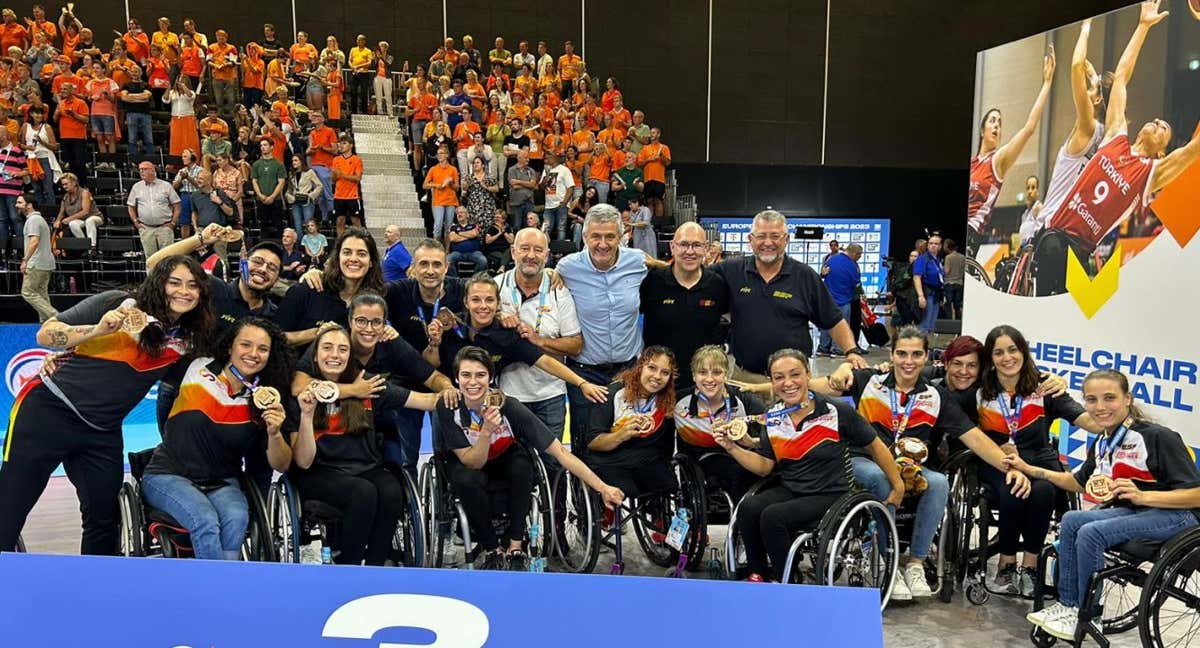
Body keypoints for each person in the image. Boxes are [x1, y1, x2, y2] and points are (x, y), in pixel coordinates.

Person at [0, 255, 214, 553]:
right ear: (158, 283)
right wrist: (98, 330)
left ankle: (93, 591)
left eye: (193, 285)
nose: (184, 291)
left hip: (102, 432)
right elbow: (45, 333)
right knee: (9, 511)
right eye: (174, 282)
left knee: (104, 521)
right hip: (46, 414)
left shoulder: (187, 340)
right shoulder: (116, 303)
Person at [817, 327, 1035, 600]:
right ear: (891, 354)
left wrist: (1011, 468)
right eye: (902, 354)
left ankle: (915, 564)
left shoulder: (935, 396)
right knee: (882, 477)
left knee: (938, 481)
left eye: (916, 354)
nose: (909, 361)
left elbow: (976, 439)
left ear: (926, 357)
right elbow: (814, 388)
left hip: (911, 466)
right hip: (862, 460)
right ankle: (888, 562)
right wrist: (767, 387)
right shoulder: (867, 381)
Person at [1013, 369, 1200, 641]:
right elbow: (1078, 482)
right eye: (1092, 400)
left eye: (1109, 398)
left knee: (1092, 532)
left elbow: (1196, 495)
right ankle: (1068, 606)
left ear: (1127, 399)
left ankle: (1091, 614)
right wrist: (1031, 469)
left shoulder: (1157, 437)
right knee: (1072, 519)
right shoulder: (1104, 441)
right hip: (1138, 511)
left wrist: (1143, 496)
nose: (1100, 407)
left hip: (1179, 516)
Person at [1036, 2, 1200, 296]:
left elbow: (1193, 150)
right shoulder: (1115, 136)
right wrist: (1142, 26)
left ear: (1162, 151)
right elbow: (1121, 77)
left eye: (1164, 128)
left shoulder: (1152, 173)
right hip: (1052, 237)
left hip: (1079, 252)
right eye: (1156, 120)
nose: (1158, 121)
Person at [720, 349, 903, 582]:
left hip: (831, 492)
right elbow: (765, 467)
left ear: (808, 374)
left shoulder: (836, 411)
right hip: (792, 488)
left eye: (795, 374)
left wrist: (897, 485)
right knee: (748, 507)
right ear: (772, 381)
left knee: (773, 516)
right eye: (779, 377)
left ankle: (786, 579)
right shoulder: (773, 416)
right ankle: (758, 575)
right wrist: (732, 447)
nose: (788, 383)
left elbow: (876, 446)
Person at [437, 345, 622, 569]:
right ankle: (492, 548)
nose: (473, 382)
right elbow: (473, 462)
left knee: (522, 467)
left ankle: (516, 546)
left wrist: (602, 487)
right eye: (466, 375)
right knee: (467, 479)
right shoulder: (449, 407)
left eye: (480, 375)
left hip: (504, 458)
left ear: (491, 377)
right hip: (471, 462)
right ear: (456, 379)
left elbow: (560, 452)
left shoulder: (510, 406)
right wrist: (486, 430)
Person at [286, 326, 441, 566]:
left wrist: (457, 393)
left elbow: (425, 400)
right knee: (363, 492)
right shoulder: (302, 394)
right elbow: (303, 461)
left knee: (391, 491)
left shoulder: (368, 385)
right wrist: (307, 416)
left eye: (342, 349)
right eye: (327, 348)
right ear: (315, 355)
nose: (335, 355)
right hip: (318, 472)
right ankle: (349, 566)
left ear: (350, 356)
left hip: (364, 466)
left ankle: (376, 566)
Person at [140, 318, 293, 561]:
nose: (253, 354)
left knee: (236, 517)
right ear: (230, 346)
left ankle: (226, 582)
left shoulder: (264, 401)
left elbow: (281, 465)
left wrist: (274, 432)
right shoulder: (197, 367)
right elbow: (161, 389)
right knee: (205, 521)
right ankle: (213, 591)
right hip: (168, 474)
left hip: (221, 480)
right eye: (246, 345)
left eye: (263, 349)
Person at [965, 325, 1102, 595]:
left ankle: (1030, 566)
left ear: (1023, 351)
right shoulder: (979, 391)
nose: (1007, 358)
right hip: (998, 461)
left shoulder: (1045, 387)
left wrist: (1108, 419)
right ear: (990, 359)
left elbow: (1080, 417)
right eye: (999, 352)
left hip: (1039, 459)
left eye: (1013, 350)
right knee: (1012, 489)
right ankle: (1006, 565)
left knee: (1044, 490)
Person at [292, 293, 456, 471]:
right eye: (361, 321)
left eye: (376, 322)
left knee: (395, 470)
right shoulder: (333, 343)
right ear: (350, 321)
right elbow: (298, 386)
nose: (369, 329)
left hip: (377, 421)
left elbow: (432, 377)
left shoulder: (392, 344)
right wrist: (354, 390)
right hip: (330, 424)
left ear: (384, 324)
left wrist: (447, 388)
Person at [711, 210, 867, 387]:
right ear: (751, 239)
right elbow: (697, 280)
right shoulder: (730, 271)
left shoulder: (805, 276)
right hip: (745, 379)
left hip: (793, 383)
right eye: (761, 236)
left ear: (786, 239)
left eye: (775, 236)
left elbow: (833, 320)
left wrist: (852, 351)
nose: (768, 243)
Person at [494, 227, 582, 452]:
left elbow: (575, 344)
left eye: (537, 250)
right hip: (509, 394)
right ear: (513, 252)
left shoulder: (558, 291)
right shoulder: (495, 287)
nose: (531, 255)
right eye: (524, 249)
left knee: (553, 464)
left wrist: (540, 340)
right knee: (514, 464)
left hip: (550, 394)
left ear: (547, 255)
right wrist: (496, 315)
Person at [967, 46, 1055, 249]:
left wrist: (1047, 83)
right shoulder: (972, 164)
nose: (997, 125)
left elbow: (1029, 129)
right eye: (992, 121)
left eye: (1000, 122)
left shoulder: (998, 160)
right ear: (982, 130)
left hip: (972, 234)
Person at [583, 346, 678, 502]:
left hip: (644, 459)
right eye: (652, 368)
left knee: (669, 484)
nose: (657, 376)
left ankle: (657, 517)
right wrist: (621, 435)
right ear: (640, 367)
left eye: (665, 373)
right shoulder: (612, 394)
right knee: (626, 488)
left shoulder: (665, 401)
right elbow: (593, 442)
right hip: (610, 461)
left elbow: (666, 448)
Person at [640, 222, 728, 388]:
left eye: (696, 245)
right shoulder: (653, 282)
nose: (690, 251)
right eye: (684, 245)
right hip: (659, 380)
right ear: (672, 247)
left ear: (706, 248)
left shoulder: (717, 285)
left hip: (702, 381)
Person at [673, 346, 765, 502]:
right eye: (702, 373)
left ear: (726, 375)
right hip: (699, 462)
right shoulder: (678, 402)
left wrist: (750, 441)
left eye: (716, 372)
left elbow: (769, 439)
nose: (709, 379)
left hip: (740, 456)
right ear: (694, 376)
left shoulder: (746, 401)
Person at [276, 227, 386, 347]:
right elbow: (275, 337)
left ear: (371, 262)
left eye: (361, 254)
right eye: (347, 252)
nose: (353, 259)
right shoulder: (308, 289)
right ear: (338, 257)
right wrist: (316, 333)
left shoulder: (376, 299)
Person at [127, 161, 181, 257]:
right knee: (150, 259)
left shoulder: (166, 186)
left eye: (144, 169)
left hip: (165, 228)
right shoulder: (136, 187)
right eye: (140, 169)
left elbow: (177, 205)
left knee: (167, 259)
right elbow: (131, 207)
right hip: (146, 228)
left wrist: (173, 223)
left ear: (153, 170)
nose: (141, 172)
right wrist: (136, 222)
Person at [817, 243, 863, 357]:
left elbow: (823, 273)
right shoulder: (852, 265)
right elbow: (856, 284)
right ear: (854, 253)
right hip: (843, 300)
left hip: (828, 299)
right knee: (841, 325)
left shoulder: (831, 259)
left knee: (826, 324)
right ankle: (838, 350)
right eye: (859, 255)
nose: (859, 258)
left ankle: (823, 348)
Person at [18, 194, 55, 322]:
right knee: (41, 294)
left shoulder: (33, 220)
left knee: (27, 292)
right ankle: (47, 323)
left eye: (20, 202)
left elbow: (34, 241)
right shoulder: (39, 219)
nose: (16, 205)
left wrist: (25, 260)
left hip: (36, 264)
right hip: (46, 263)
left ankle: (56, 316)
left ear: (29, 205)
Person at [252, 138, 287, 240]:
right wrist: (260, 195)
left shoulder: (278, 164)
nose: (263, 147)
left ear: (271, 147)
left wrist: (272, 196)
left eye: (265, 145)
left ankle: (280, 247)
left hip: (276, 200)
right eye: (261, 145)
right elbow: (254, 181)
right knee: (263, 225)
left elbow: (281, 182)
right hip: (261, 199)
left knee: (278, 225)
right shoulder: (256, 164)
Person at [54, 172, 101, 249]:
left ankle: (93, 246)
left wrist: (69, 218)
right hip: (80, 220)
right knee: (72, 223)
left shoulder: (84, 193)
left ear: (74, 183)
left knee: (90, 220)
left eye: (66, 184)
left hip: (94, 217)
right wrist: (58, 220)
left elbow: (85, 211)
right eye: (63, 185)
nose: (64, 186)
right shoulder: (65, 197)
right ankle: (85, 245)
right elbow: (61, 212)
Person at [423, 145, 460, 243]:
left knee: (448, 228)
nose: (439, 155)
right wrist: (437, 185)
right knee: (438, 226)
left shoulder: (453, 169)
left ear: (447, 155)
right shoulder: (433, 169)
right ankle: (436, 248)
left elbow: (457, 188)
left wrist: (450, 182)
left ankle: (447, 251)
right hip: (438, 201)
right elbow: (425, 185)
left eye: (441, 153)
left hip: (451, 201)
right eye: (438, 153)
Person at [54, 81, 88, 183]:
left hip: (78, 137)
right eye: (61, 89)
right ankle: (73, 185)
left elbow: (86, 119)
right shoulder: (61, 104)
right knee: (70, 163)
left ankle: (82, 185)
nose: (62, 91)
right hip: (65, 136)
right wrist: (57, 113)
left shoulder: (80, 103)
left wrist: (74, 115)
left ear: (71, 90)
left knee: (79, 163)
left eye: (65, 89)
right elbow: (55, 120)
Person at [305, 111, 337, 220]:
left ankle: (333, 215)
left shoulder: (330, 131)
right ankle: (325, 219)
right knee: (320, 195)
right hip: (314, 164)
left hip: (325, 165)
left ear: (323, 119)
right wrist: (311, 150)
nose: (314, 118)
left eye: (317, 116)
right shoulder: (312, 133)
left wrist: (322, 148)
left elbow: (335, 149)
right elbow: (308, 150)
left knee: (327, 193)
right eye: (313, 116)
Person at [119, 65, 154, 159]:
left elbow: (147, 97)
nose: (134, 74)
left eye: (136, 71)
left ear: (141, 73)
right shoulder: (126, 85)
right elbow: (124, 97)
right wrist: (140, 98)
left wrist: (131, 97)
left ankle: (151, 160)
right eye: (133, 72)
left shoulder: (146, 85)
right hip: (131, 114)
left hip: (145, 114)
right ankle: (133, 160)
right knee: (132, 138)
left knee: (148, 138)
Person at [636, 127, 671, 220]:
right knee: (649, 201)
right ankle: (649, 222)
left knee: (658, 200)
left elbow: (667, 163)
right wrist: (649, 159)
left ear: (658, 134)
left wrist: (661, 156)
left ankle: (658, 223)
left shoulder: (664, 147)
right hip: (648, 179)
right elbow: (639, 163)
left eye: (654, 133)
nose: (651, 135)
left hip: (659, 179)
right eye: (651, 133)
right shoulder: (645, 148)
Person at [912, 234, 944, 333]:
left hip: (936, 294)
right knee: (924, 324)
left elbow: (940, 277)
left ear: (940, 246)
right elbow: (917, 277)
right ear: (928, 245)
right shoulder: (923, 259)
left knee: (931, 324)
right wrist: (921, 296)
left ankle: (927, 347)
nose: (933, 245)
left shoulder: (937, 260)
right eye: (931, 243)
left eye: (936, 243)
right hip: (927, 293)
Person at [445, 206, 488, 277]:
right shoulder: (453, 227)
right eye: (457, 213)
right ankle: (456, 280)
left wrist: (459, 233)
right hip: (457, 253)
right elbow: (452, 238)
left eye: (461, 212)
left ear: (467, 215)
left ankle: (474, 279)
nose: (459, 214)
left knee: (483, 261)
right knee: (447, 260)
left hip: (474, 252)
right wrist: (469, 235)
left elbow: (474, 234)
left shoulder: (473, 225)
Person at [540, 151, 573, 240]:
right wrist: (546, 177)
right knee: (546, 228)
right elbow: (542, 187)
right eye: (545, 158)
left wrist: (565, 202)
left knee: (561, 228)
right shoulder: (546, 170)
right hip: (548, 205)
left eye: (547, 158)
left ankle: (560, 252)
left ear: (554, 158)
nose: (546, 161)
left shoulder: (564, 170)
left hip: (560, 204)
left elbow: (570, 187)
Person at [286, 154, 322, 234]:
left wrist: (311, 196)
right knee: (297, 226)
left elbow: (319, 185)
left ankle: (309, 245)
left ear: (301, 161)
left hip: (306, 202)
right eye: (292, 161)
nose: (293, 162)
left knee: (308, 226)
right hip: (295, 202)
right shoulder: (292, 173)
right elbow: (289, 189)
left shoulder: (309, 172)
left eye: (296, 160)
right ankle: (300, 245)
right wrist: (290, 197)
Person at [461, 153, 498, 228]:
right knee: (474, 226)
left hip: (487, 205)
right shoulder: (469, 176)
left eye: (478, 162)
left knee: (488, 225)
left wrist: (487, 188)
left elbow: (496, 189)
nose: (475, 164)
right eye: (474, 163)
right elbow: (464, 188)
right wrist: (466, 184)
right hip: (473, 204)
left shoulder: (489, 176)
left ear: (483, 165)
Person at [506, 149, 537, 230]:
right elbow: (514, 185)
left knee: (529, 227)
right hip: (516, 203)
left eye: (528, 157)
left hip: (529, 202)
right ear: (519, 158)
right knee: (517, 226)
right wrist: (527, 184)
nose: (528, 159)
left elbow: (533, 185)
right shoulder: (511, 170)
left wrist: (518, 181)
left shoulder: (531, 171)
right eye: (526, 158)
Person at [348, 34, 373, 114]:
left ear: (364, 42)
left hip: (364, 74)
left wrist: (358, 66)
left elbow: (369, 63)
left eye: (360, 40)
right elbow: (349, 60)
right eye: (357, 40)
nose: (359, 42)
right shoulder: (353, 49)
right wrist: (353, 67)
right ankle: (354, 112)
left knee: (364, 93)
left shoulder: (368, 51)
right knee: (353, 92)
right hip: (354, 73)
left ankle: (364, 112)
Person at [942, 239, 965, 319]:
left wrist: (941, 269)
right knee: (957, 305)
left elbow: (946, 271)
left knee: (948, 304)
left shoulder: (948, 257)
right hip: (959, 283)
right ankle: (958, 321)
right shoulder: (963, 257)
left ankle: (949, 321)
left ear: (947, 246)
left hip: (949, 284)